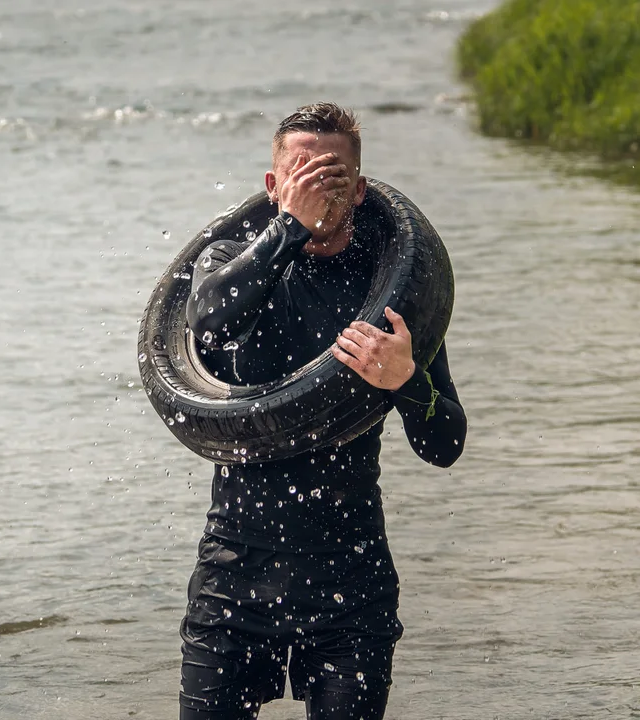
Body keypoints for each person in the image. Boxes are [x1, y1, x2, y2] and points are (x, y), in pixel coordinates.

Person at [177, 102, 467, 720]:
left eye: (332, 176)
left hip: (350, 581)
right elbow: (205, 330)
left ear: (361, 190)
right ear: (272, 185)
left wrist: (406, 382)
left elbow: (445, 444)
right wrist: (289, 228)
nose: (317, 188)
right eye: (301, 173)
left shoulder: (389, 291)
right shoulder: (229, 260)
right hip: (234, 576)